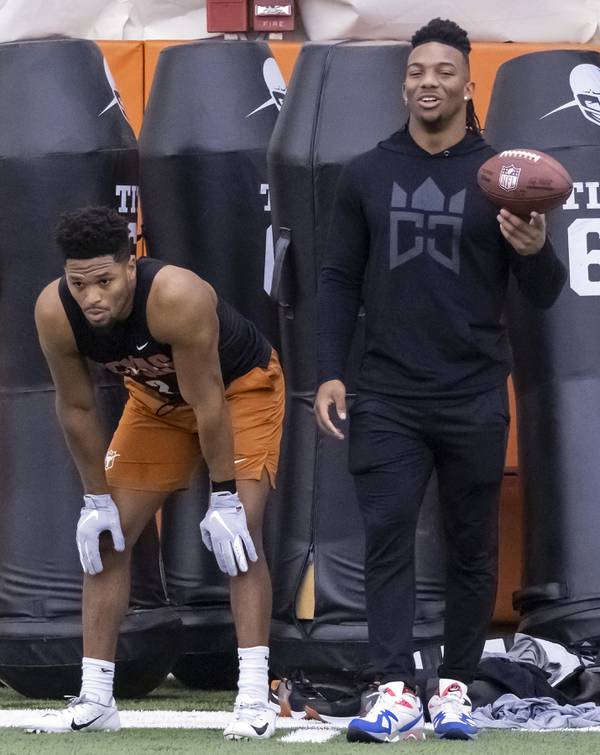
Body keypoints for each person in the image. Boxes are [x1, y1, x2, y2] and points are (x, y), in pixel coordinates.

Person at [314, 18, 566, 743]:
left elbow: (544, 292)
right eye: (417, 70)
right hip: (388, 391)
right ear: (405, 83)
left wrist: (535, 248)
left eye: (443, 71)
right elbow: (335, 281)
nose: (429, 81)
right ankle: (393, 685)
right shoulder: (366, 172)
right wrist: (329, 370)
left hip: (474, 389)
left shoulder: (502, 179)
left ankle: (454, 684)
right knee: (388, 534)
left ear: (468, 83)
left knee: (471, 545)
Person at [29, 205, 284, 740]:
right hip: (154, 404)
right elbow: (75, 409)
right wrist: (94, 499)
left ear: (130, 266)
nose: (92, 297)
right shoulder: (55, 311)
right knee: (107, 538)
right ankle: (96, 698)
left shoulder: (175, 296)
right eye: (80, 284)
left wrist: (224, 498)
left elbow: (209, 401)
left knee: (240, 536)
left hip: (238, 392)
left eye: (104, 281)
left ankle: (255, 695)